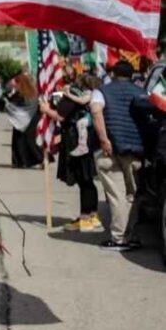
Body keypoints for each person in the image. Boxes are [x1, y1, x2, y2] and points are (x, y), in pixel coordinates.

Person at [90, 60, 146, 251]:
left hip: (110, 151)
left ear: (113, 74)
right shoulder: (141, 92)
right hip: (136, 150)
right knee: (132, 195)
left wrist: (104, 139)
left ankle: (119, 238)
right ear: (132, 75)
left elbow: (96, 113)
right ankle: (132, 236)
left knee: (117, 195)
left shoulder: (101, 91)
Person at [53, 74, 104, 233]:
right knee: (87, 180)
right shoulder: (91, 94)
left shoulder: (76, 94)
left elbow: (60, 116)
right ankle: (92, 216)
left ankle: (85, 218)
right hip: (86, 139)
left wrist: (47, 110)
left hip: (76, 140)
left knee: (83, 180)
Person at [5, 73, 43, 168]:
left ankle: (20, 161)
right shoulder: (34, 92)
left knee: (19, 141)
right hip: (33, 118)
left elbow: (13, 104)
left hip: (21, 120)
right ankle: (40, 159)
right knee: (31, 141)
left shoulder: (21, 93)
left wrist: (7, 103)